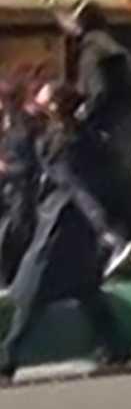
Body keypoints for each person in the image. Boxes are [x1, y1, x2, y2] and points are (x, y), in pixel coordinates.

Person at [0, 83, 131, 386]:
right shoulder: (80, 136)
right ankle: (118, 348)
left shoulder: (61, 142)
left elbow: (75, 187)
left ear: (55, 107)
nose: (38, 101)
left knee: (31, 293)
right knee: (85, 290)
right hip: (73, 226)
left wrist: (102, 224)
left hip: (59, 226)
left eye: (44, 98)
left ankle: (6, 361)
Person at [56, 0, 131, 278]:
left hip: (109, 129)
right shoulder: (112, 47)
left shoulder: (93, 50)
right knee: (118, 182)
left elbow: (98, 92)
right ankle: (119, 242)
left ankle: (113, 240)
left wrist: (81, 115)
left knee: (87, 182)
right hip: (127, 127)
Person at [0, 80, 43, 287]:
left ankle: (12, 281)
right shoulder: (6, 124)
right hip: (6, 190)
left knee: (15, 235)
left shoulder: (26, 126)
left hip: (21, 191)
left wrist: (5, 169)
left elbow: (32, 164)